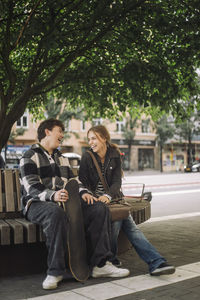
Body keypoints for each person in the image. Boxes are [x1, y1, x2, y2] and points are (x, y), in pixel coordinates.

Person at [20, 119, 129, 290]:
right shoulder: (29, 156)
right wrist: (52, 195)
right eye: (60, 131)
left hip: (66, 203)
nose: (62, 135)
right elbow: (31, 187)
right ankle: (55, 271)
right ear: (47, 132)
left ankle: (100, 265)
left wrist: (84, 193)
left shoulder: (61, 158)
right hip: (37, 204)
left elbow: (74, 181)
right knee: (56, 214)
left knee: (99, 209)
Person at [78, 125, 176, 276]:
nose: (90, 142)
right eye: (89, 139)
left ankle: (118, 260)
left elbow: (117, 182)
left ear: (104, 138)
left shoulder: (114, 154)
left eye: (94, 138)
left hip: (114, 200)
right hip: (97, 205)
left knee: (125, 224)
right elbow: (83, 182)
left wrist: (108, 196)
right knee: (124, 224)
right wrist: (98, 199)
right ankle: (154, 262)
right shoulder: (87, 157)